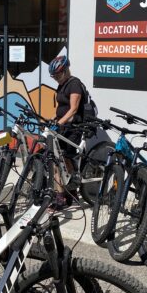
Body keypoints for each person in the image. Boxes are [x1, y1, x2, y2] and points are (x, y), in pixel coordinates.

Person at [49, 55, 86, 209]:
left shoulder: (74, 84)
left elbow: (73, 110)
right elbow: (61, 109)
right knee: (58, 160)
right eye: (54, 76)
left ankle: (62, 198)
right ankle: (70, 192)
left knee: (62, 159)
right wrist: (52, 120)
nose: (56, 78)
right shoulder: (62, 85)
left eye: (58, 75)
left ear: (65, 70)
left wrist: (59, 123)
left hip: (74, 128)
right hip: (63, 126)